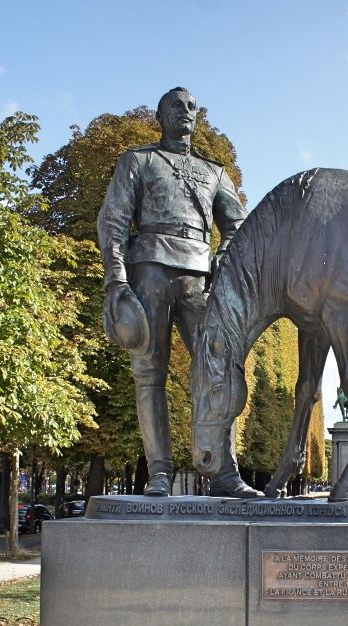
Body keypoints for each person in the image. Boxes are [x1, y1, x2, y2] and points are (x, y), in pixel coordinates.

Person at [98, 86, 258, 498]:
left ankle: (223, 471)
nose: (186, 112)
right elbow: (114, 222)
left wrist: (225, 251)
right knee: (149, 374)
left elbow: (239, 224)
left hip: (199, 278)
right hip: (149, 269)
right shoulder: (139, 160)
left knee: (218, 370)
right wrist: (116, 279)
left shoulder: (214, 172)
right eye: (177, 106)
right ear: (161, 115)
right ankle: (160, 473)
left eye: (191, 107)